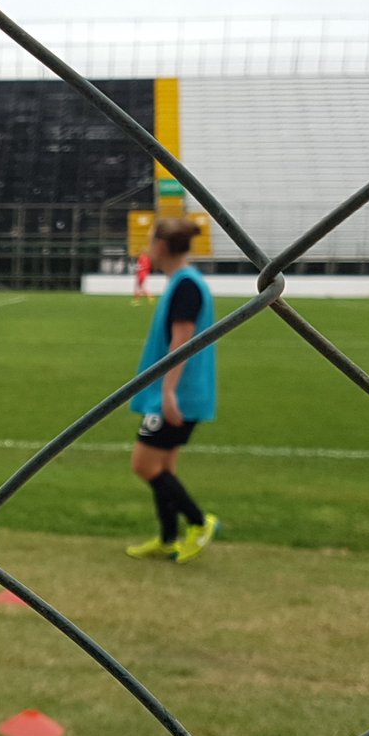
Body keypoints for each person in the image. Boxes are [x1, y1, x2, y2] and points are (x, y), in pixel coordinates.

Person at [125, 217, 221, 564]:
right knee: (165, 466)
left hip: (175, 392)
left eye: (151, 241)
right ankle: (168, 538)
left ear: (162, 247)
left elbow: (183, 342)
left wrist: (167, 394)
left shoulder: (185, 286)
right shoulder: (185, 282)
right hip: (180, 390)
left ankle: (198, 521)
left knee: (144, 464)